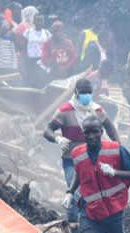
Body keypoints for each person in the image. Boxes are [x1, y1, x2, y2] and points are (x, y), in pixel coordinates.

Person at [44, 78, 119, 222]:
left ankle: (90, 222)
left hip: (95, 159)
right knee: (76, 192)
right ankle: (73, 222)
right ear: (76, 93)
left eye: (89, 92)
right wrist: (58, 139)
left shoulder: (96, 110)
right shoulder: (65, 111)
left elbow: (109, 127)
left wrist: (117, 145)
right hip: (72, 160)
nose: (86, 95)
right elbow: (47, 130)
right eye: (83, 92)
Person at [22, 13, 50, 87]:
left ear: (43, 22)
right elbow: (23, 47)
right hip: (31, 60)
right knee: (31, 79)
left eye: (41, 20)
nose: (39, 22)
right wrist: (24, 61)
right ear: (34, 21)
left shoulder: (47, 33)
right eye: (37, 20)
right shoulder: (27, 32)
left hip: (42, 60)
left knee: (42, 79)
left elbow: (50, 47)